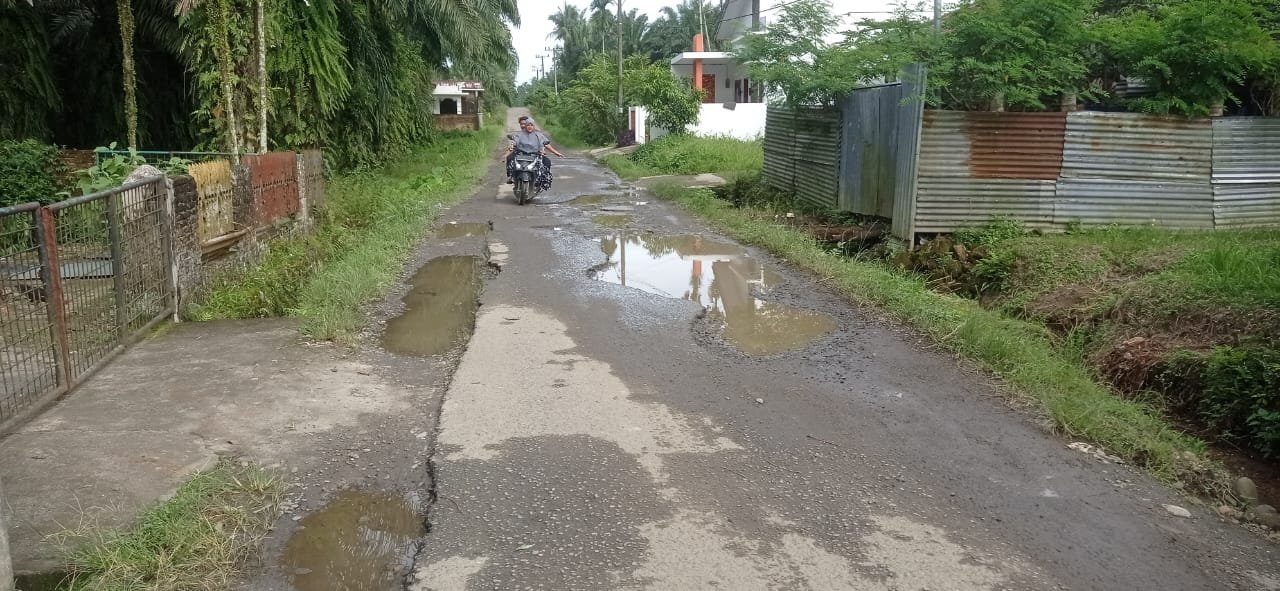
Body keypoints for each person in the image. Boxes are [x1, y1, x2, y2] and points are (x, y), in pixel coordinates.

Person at [502, 117, 564, 183]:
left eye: (531, 125)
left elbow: (546, 144)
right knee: (510, 159)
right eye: (528, 125)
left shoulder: (539, 135)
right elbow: (514, 142)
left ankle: (543, 178)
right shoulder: (519, 134)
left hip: (535, 155)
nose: (530, 127)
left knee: (547, 161)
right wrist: (508, 151)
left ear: (534, 126)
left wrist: (556, 153)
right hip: (521, 155)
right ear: (526, 126)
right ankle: (511, 176)